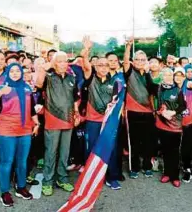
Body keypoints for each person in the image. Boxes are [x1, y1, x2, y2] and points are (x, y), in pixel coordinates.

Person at [0, 63, 40, 207]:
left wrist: (37, 124)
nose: (15, 73)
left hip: (24, 129)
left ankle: (21, 187)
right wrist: (1, 92)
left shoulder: (26, 88)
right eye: (11, 71)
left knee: (22, 161)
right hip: (6, 130)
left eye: (18, 70)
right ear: (7, 72)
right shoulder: (2, 87)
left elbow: (31, 110)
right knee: (7, 161)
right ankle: (5, 192)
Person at [79, 37, 121, 189]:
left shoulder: (115, 81)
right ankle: (91, 177)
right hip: (92, 121)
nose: (103, 67)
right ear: (95, 66)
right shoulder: (90, 78)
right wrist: (87, 50)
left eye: (106, 65)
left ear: (110, 66)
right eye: (100, 65)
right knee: (92, 149)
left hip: (109, 121)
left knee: (111, 149)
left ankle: (112, 177)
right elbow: (85, 63)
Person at [36, 51, 80, 196]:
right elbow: (38, 83)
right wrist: (44, 67)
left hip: (68, 120)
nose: (62, 64)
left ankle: (62, 178)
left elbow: (74, 99)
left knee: (64, 152)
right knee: (51, 152)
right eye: (59, 61)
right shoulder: (48, 77)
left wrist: (76, 113)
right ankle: (48, 181)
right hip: (52, 120)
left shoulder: (71, 78)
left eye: (65, 61)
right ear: (54, 63)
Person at [123, 39, 157, 179]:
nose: (140, 61)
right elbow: (125, 61)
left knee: (148, 142)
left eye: (143, 59)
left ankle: (147, 167)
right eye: (137, 59)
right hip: (132, 112)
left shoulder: (149, 75)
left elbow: (152, 94)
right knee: (134, 142)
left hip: (148, 113)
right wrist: (128, 46)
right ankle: (134, 167)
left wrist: (154, 111)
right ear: (133, 60)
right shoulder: (129, 71)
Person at [156, 67, 186, 188]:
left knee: (174, 151)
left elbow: (183, 106)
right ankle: (166, 173)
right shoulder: (158, 89)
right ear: (161, 76)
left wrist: (173, 112)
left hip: (175, 125)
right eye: (165, 74)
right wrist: (162, 112)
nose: (167, 77)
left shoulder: (177, 90)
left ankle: (175, 176)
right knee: (165, 150)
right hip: (163, 124)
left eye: (170, 75)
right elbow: (156, 104)